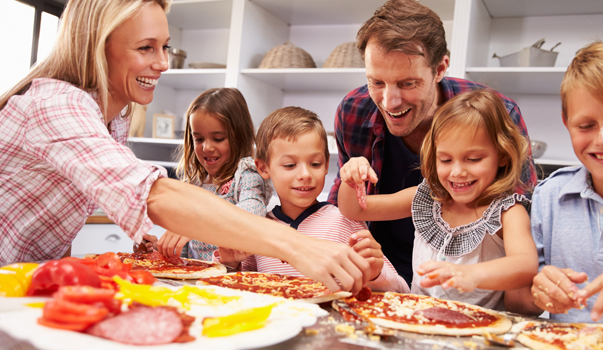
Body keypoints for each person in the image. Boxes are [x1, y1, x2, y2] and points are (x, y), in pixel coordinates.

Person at [0, 0, 372, 294]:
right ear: (98, 46)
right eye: (146, 48)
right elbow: (155, 196)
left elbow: (55, 228)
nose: (162, 63)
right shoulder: (56, 103)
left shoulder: (116, 114)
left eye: (165, 47)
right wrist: (296, 245)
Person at [329, 0, 537, 286]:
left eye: (407, 83)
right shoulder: (353, 112)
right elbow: (352, 210)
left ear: (440, 68)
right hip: (386, 277)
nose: (389, 102)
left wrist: (476, 279)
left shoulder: (497, 116)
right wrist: (351, 178)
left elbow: (526, 252)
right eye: (376, 82)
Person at [339, 89, 538, 310]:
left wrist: (468, 274)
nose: (457, 172)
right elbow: (355, 210)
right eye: (445, 159)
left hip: (477, 334)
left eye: (473, 159)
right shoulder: (427, 199)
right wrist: (351, 178)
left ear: (502, 155)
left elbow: (525, 265)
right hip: (418, 324)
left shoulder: (507, 212)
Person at [505, 34, 603, 328]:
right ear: (567, 123)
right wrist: (538, 293)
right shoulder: (549, 195)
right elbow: (516, 300)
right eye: (586, 125)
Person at [218, 106, 409, 293]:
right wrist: (230, 263)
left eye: (315, 164)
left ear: (326, 164)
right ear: (263, 168)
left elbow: (401, 290)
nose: (305, 174)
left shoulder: (344, 222)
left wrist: (375, 275)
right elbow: (239, 291)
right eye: (290, 165)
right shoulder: (259, 228)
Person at [146, 88, 272, 261]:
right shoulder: (194, 183)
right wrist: (158, 248)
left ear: (240, 136)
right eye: (198, 139)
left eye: (218, 138)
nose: (206, 147)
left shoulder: (247, 175)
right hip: (198, 278)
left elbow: (250, 216)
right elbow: (187, 251)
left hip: (232, 278)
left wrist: (193, 224)